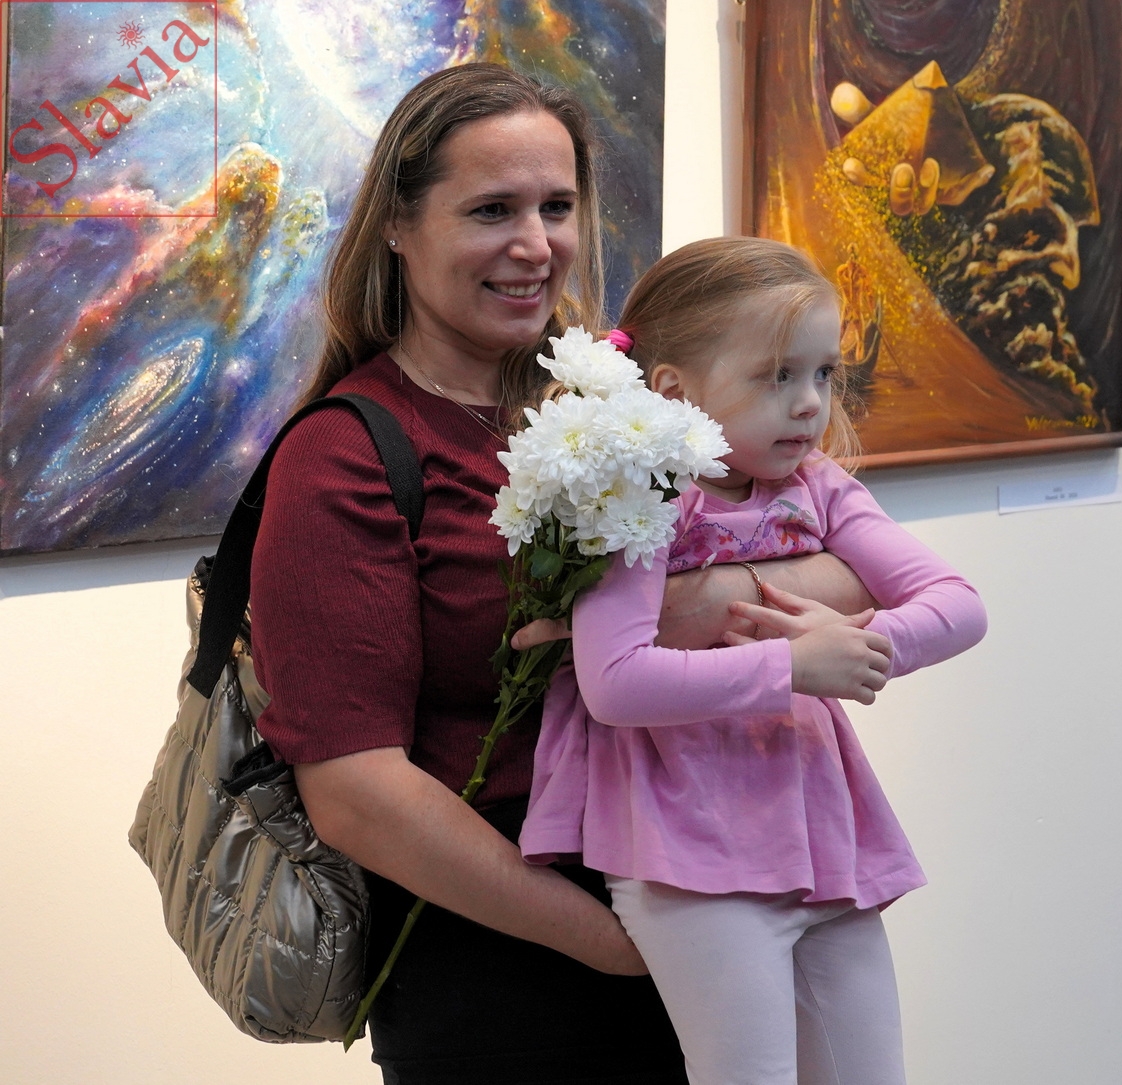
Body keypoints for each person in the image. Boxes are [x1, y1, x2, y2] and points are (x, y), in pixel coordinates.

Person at [248, 66, 876, 1083]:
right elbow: (356, 791)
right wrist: (615, 944)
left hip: (710, 895)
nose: (535, 244)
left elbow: (859, 556)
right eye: (491, 210)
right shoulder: (346, 455)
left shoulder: (623, 400)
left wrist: (685, 611)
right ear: (398, 226)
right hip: (517, 966)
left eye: (556, 206)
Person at [519, 237, 989, 1085]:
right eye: (778, 376)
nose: (810, 404)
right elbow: (616, 681)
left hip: (822, 835)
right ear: (674, 391)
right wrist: (793, 666)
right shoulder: (641, 496)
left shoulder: (820, 485)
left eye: (824, 374)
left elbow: (959, 604)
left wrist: (860, 647)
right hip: (690, 848)